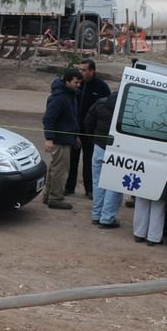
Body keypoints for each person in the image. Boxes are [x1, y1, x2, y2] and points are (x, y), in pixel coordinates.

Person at [41, 67, 82, 210]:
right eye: (76, 82)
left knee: (54, 169)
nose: (78, 85)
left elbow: (71, 119)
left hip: (66, 138)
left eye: (79, 83)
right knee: (59, 170)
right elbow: (48, 119)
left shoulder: (70, 95)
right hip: (60, 140)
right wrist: (49, 139)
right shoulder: (60, 98)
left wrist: (74, 136)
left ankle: (49, 196)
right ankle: (56, 198)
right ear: (67, 81)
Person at [69, 59, 111, 196]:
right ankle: (69, 187)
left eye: (84, 70)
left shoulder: (101, 87)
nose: (80, 72)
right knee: (72, 159)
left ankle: (90, 189)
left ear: (92, 71)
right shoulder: (76, 85)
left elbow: (107, 110)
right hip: (75, 128)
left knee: (90, 160)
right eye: (79, 69)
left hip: (92, 131)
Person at [83, 90, 123, 228]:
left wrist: (94, 139)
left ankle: (96, 215)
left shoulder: (100, 103)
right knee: (114, 184)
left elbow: (88, 123)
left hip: (99, 147)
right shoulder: (125, 107)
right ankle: (107, 218)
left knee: (97, 183)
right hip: (118, 149)